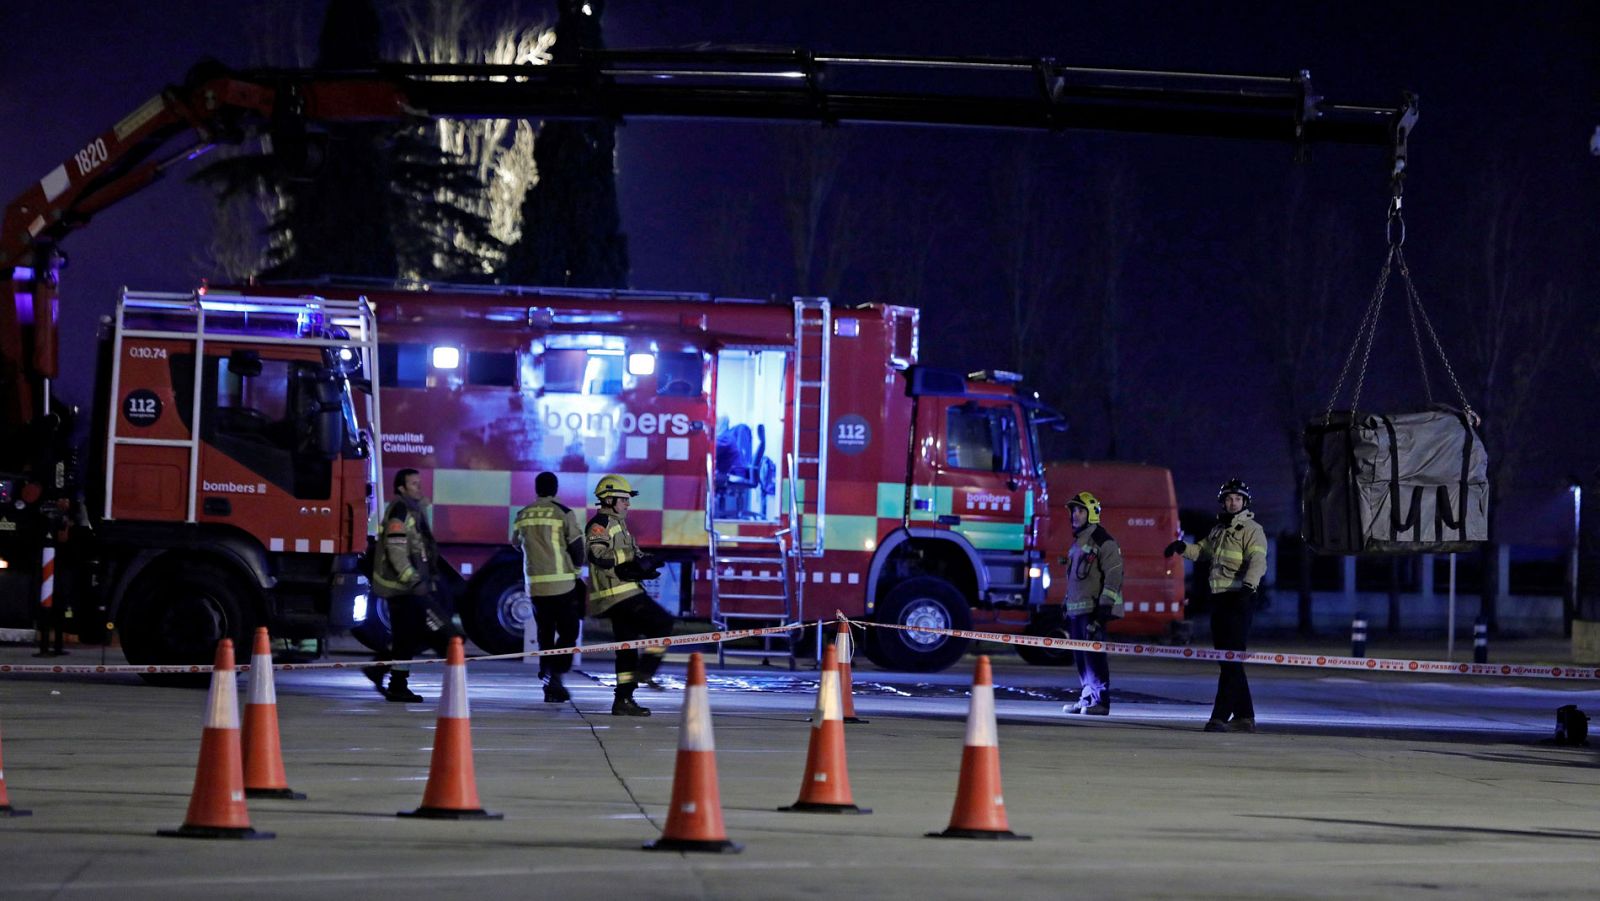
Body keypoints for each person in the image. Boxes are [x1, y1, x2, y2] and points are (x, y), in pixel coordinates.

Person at [1165, 478, 1268, 733]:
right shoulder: (1218, 530)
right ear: (1223, 502)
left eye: (1238, 499)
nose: (1233, 503)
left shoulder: (1252, 529)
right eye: (1229, 499)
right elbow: (1202, 552)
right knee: (1228, 660)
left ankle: (1219, 717)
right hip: (1220, 599)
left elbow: (1258, 561)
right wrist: (1182, 547)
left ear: (1245, 502)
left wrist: (1249, 586)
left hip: (1240, 598)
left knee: (1230, 658)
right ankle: (1245, 717)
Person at [364, 468, 461, 702]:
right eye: (414, 484)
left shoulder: (413, 510)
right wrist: (413, 578)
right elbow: (396, 551)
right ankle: (392, 680)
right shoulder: (400, 510)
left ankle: (389, 677)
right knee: (423, 635)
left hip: (411, 586)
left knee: (408, 638)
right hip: (402, 588)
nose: (419, 487)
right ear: (401, 488)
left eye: (419, 483)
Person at [585, 474, 674, 716]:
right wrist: (629, 558)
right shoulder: (600, 523)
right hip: (618, 595)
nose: (628, 504)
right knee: (663, 623)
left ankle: (623, 700)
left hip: (623, 592)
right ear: (609, 499)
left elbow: (629, 554)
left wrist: (646, 565)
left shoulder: (618, 523)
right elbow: (598, 555)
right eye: (623, 499)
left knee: (627, 647)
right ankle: (645, 672)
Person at [512, 472, 586, 703]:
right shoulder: (562, 513)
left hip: (535, 587)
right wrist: (575, 571)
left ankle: (547, 676)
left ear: (536, 489)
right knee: (569, 632)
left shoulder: (523, 514)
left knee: (545, 633)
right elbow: (577, 547)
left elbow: (516, 544)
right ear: (555, 489)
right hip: (562, 584)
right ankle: (555, 675)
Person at [1059, 492, 1124, 716]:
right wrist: (1066, 603)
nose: (1075, 515)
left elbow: (1114, 575)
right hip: (1078, 611)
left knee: (1094, 657)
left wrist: (1104, 608)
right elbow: (1076, 578)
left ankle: (1101, 701)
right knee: (1081, 658)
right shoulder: (1079, 541)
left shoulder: (1103, 541)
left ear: (1092, 514)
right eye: (1073, 511)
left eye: (1080, 511)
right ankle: (1087, 696)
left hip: (1093, 610)